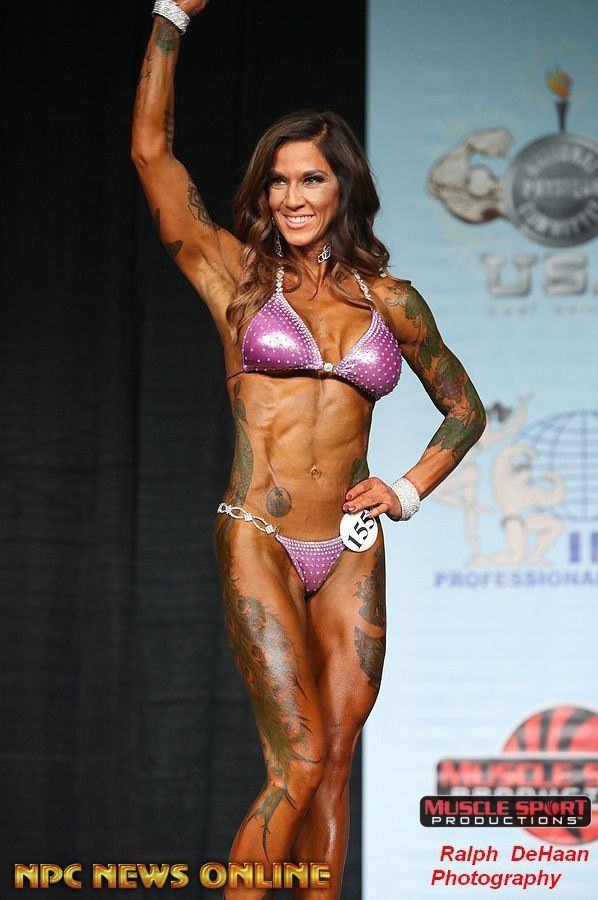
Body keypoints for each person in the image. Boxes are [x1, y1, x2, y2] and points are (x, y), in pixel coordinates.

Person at [131, 2, 487, 897]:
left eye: (312, 179)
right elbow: (153, 157)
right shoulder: (237, 279)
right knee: (295, 756)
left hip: (353, 547)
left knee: (333, 764)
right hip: (260, 532)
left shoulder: (390, 301)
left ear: (343, 190)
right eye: (279, 181)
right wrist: (171, 18)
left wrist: (406, 489)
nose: (292, 197)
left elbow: (464, 409)